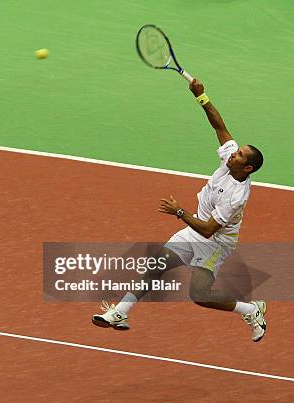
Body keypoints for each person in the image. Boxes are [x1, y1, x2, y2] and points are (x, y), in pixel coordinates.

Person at [92, 79, 267, 342]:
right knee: (156, 264)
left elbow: (208, 231)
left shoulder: (236, 196)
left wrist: (180, 212)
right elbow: (220, 127)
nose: (234, 154)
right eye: (237, 151)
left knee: (199, 295)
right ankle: (120, 312)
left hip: (216, 242)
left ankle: (252, 310)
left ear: (248, 168)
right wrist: (202, 97)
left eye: (240, 155)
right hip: (197, 228)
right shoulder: (230, 161)